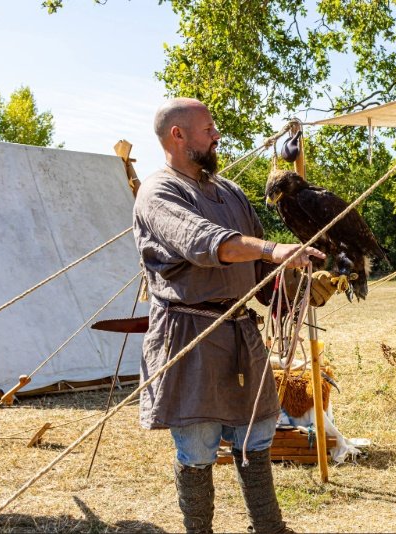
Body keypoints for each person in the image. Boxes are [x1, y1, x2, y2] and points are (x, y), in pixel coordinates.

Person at [133, 97, 336, 534]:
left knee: (257, 435)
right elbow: (207, 242)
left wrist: (299, 284)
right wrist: (272, 249)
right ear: (178, 135)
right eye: (208, 128)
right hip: (189, 334)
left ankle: (269, 528)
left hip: (241, 331)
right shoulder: (159, 192)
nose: (217, 135)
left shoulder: (229, 192)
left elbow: (261, 269)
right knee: (198, 445)